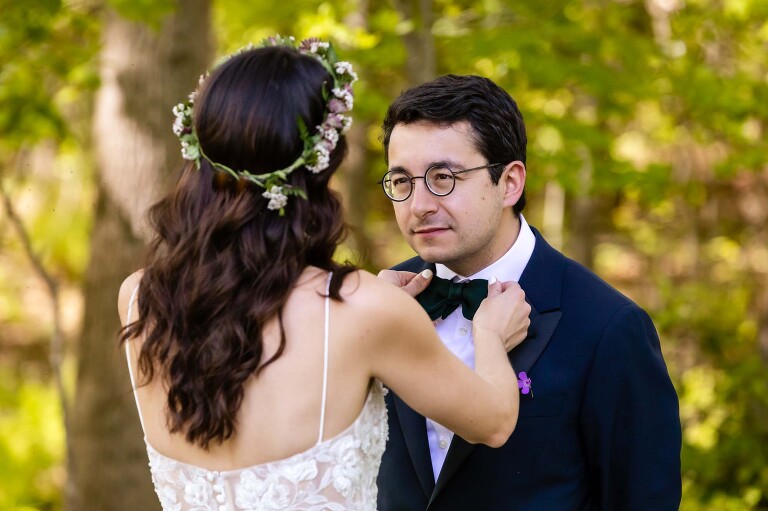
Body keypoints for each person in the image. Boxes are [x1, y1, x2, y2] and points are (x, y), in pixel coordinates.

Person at [117, 38, 532, 511]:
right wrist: (491, 337)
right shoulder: (362, 311)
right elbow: (495, 421)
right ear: (318, 169)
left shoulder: (138, 298)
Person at [375, 74, 682, 510]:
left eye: (443, 177)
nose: (419, 205)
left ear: (510, 183)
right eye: (402, 181)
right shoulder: (381, 304)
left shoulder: (609, 327)